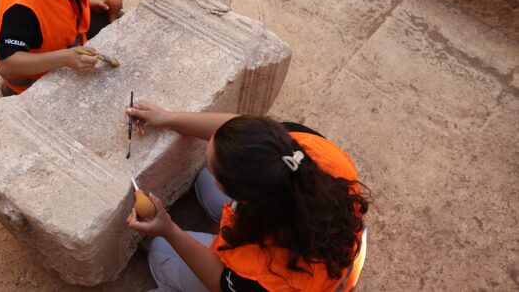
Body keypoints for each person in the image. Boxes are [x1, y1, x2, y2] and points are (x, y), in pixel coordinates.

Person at [125, 102, 370, 292]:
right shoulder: (304, 150)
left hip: (296, 285)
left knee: (160, 252)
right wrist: (169, 118)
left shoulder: (265, 276)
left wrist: (169, 230)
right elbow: (240, 134)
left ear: (246, 199)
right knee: (205, 181)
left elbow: (219, 281)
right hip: (329, 250)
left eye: (216, 168)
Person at [0, 0, 121, 96]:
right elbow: (6, 63)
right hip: (34, 84)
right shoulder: (21, 8)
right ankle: (11, 93)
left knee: (117, 19)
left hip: (62, 43)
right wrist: (65, 59)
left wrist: (86, 3)